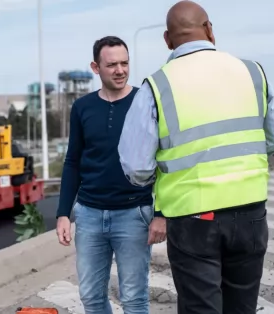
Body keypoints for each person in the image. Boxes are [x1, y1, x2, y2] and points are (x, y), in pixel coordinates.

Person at [117, 1, 274, 313]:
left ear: (168, 40)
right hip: (250, 213)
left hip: (192, 217)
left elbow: (136, 167)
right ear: (210, 30)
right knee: (242, 306)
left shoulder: (158, 86)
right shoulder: (253, 73)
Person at [55, 35, 165, 314]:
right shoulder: (82, 107)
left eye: (125, 63)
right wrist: (63, 213)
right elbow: (72, 162)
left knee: (134, 299)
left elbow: (164, 161)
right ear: (96, 67)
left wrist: (161, 213)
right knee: (91, 297)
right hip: (89, 215)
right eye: (112, 64)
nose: (120, 70)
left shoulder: (146, 102)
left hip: (134, 214)